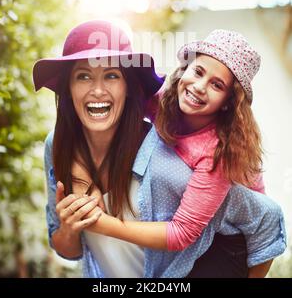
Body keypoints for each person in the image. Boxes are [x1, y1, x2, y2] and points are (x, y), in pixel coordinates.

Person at [34, 21, 287, 278]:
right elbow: (67, 249)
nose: (98, 90)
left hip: (220, 251)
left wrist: (102, 223)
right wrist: (71, 224)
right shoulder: (163, 106)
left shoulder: (197, 156)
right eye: (83, 76)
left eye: (111, 75)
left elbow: (264, 216)